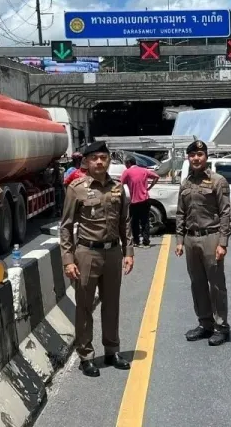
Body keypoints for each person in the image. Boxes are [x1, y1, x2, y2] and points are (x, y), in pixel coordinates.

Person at [59, 141, 134, 377]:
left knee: (112, 304)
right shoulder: (76, 188)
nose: (99, 162)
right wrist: (68, 260)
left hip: (113, 253)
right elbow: (66, 226)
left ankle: (112, 350)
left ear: (109, 160)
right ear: (86, 162)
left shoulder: (118, 188)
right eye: (94, 158)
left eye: (103, 157)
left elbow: (125, 222)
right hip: (86, 253)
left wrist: (129, 252)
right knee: (84, 305)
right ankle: (86, 355)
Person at [175, 140, 231, 346]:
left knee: (216, 284)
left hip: (211, 237)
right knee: (197, 283)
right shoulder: (186, 183)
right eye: (192, 155)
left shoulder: (218, 181)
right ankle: (205, 323)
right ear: (188, 158)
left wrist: (222, 242)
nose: (196, 159)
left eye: (199, 155)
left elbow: (225, 213)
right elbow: (181, 212)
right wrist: (180, 240)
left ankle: (221, 326)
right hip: (190, 239)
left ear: (206, 157)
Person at [120, 155, 160, 247]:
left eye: (126, 164)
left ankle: (136, 241)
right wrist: (149, 187)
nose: (125, 165)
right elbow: (156, 176)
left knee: (134, 222)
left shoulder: (127, 172)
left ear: (128, 163)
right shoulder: (144, 170)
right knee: (145, 221)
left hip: (134, 201)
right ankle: (146, 242)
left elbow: (120, 183)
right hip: (145, 199)